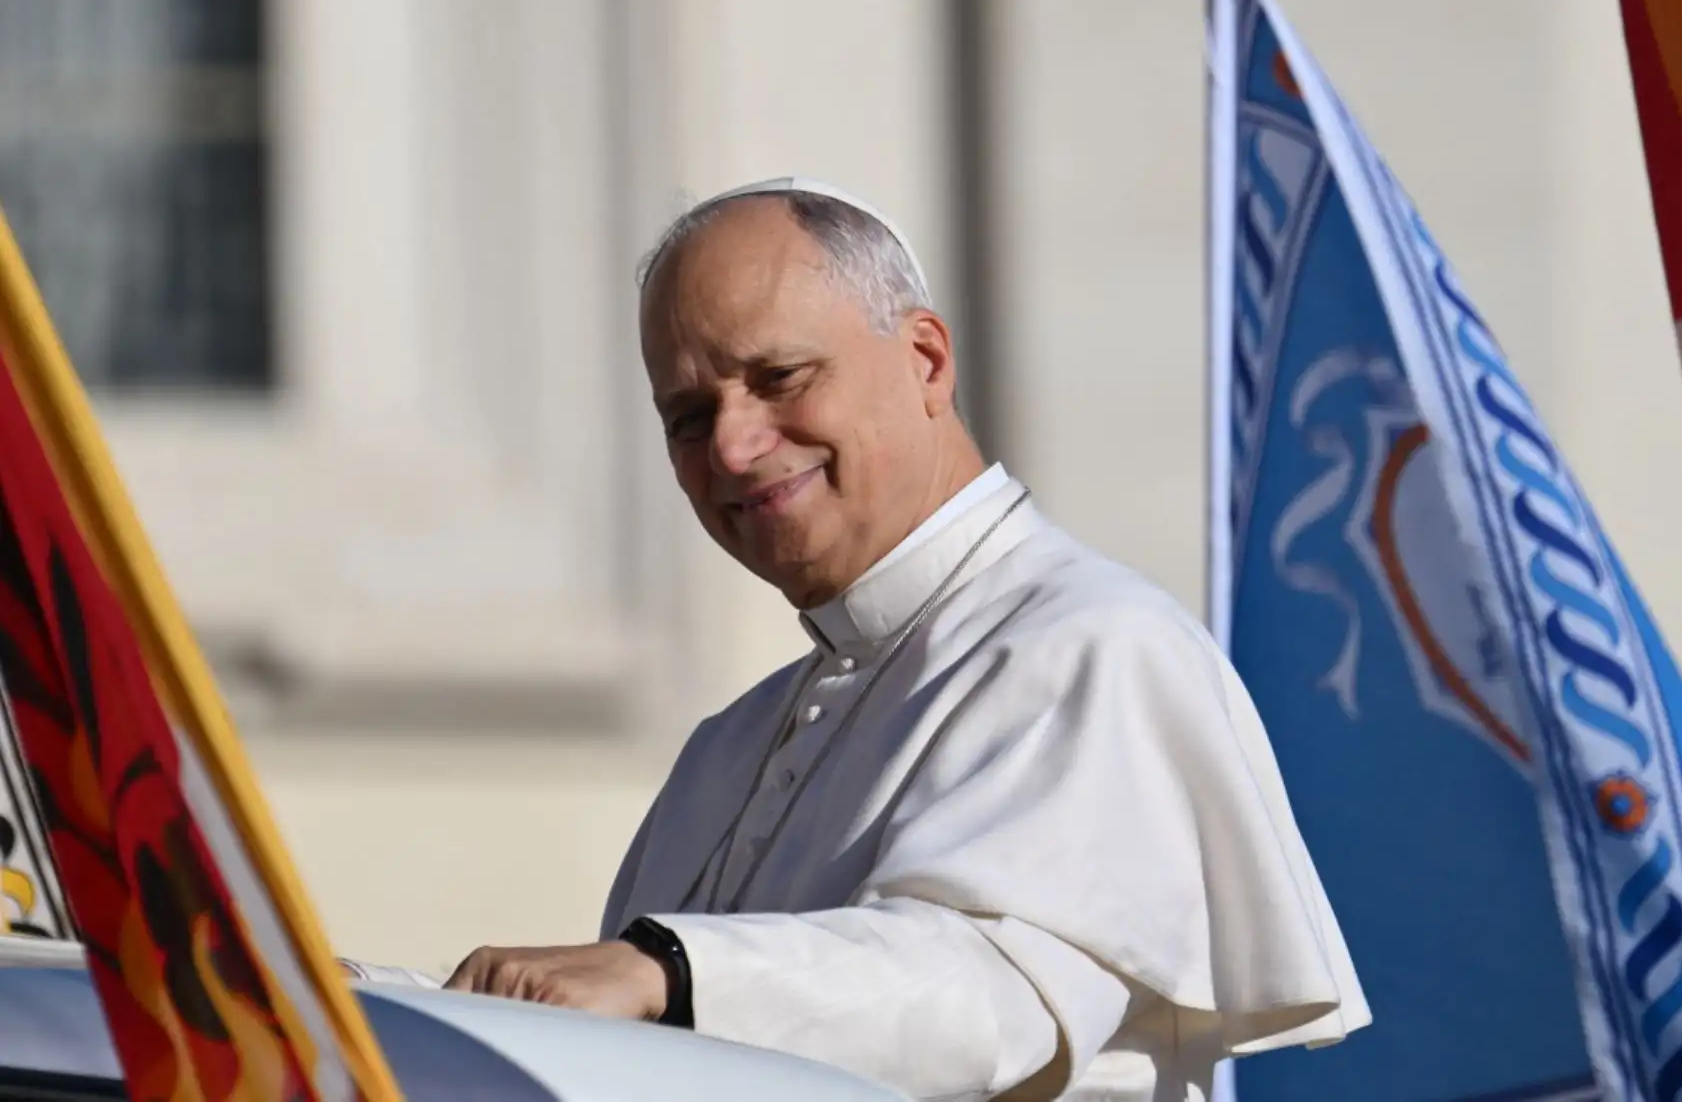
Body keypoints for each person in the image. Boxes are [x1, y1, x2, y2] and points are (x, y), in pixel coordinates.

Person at [433, 177, 1370, 1099]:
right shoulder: (725, 749)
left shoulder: (1095, 645)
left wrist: (671, 973)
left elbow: (991, 998)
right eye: (689, 417)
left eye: (778, 379)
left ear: (925, 359)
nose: (732, 445)